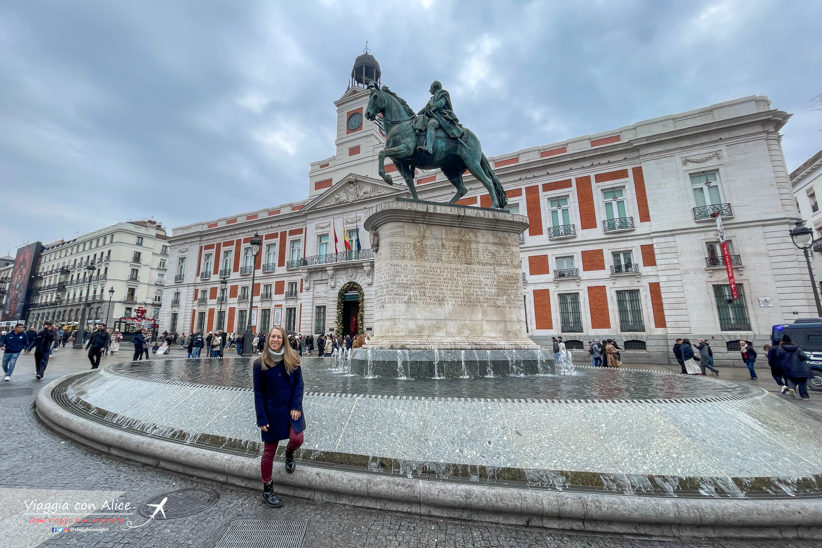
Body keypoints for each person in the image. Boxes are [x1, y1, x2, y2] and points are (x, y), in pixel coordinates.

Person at [253, 325, 306, 508]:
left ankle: (289, 452)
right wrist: (261, 418)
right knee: (269, 452)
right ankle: (267, 488)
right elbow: (258, 392)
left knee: (297, 439)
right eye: (272, 337)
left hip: (292, 409)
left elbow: (299, 384)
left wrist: (296, 406)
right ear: (268, 339)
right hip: (272, 412)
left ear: (284, 340)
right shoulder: (260, 363)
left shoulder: (293, 358)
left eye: (278, 337)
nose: (275, 340)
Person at [413, 80, 464, 154]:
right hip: (430, 116)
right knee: (419, 122)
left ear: (434, 87)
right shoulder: (432, 99)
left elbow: (440, 104)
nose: (429, 90)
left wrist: (432, 106)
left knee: (431, 125)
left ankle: (429, 148)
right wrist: (417, 114)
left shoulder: (442, 94)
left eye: (430, 87)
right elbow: (425, 108)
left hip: (439, 116)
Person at [775, 335, 812, 399]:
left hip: (788, 368)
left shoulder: (780, 349)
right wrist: (808, 358)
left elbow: (778, 357)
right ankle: (804, 396)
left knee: (791, 380)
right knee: (802, 383)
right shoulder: (797, 348)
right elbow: (803, 356)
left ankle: (792, 389)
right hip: (800, 368)